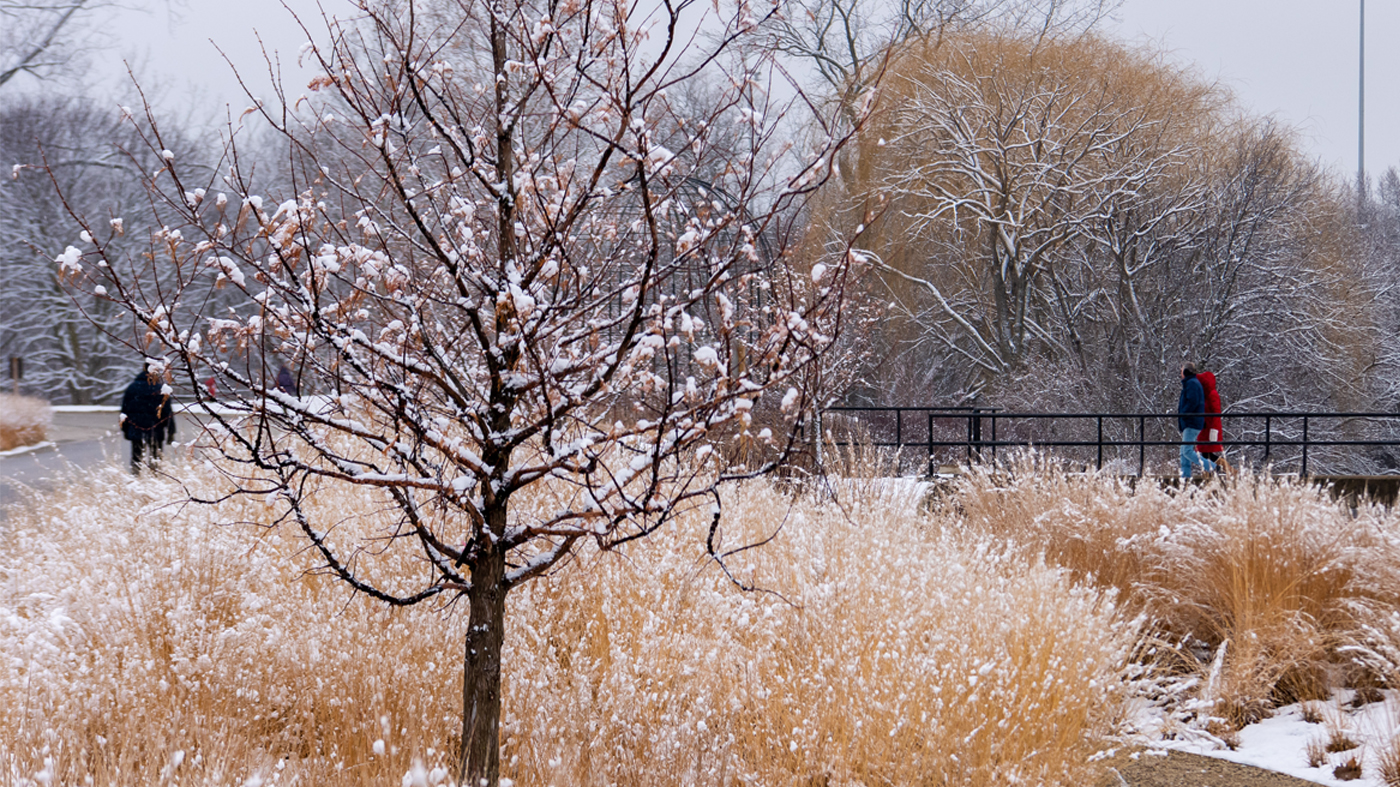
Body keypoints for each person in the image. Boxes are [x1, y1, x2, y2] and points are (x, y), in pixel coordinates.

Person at [120, 363, 176, 473]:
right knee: (156, 457)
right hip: (156, 427)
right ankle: (155, 479)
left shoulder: (132, 388)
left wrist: (125, 428)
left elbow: (125, 410)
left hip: (136, 427)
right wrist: (171, 431)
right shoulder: (160, 389)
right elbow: (167, 412)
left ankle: (136, 478)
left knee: (136, 457)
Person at [1176, 362, 1213, 479]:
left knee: (1186, 451)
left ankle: (1212, 467)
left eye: (1182, 371)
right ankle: (1185, 476)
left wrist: (1184, 414)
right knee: (1183, 451)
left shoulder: (1191, 384)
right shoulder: (1192, 383)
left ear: (1186, 372)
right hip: (1191, 422)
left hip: (1191, 422)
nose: (1180, 374)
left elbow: (1193, 402)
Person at [1195, 371, 1230, 476]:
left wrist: (1214, 429)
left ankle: (1221, 468)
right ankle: (1212, 471)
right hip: (1205, 427)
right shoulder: (1205, 394)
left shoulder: (1211, 394)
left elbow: (1216, 412)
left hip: (1210, 427)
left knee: (1206, 452)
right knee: (1205, 452)